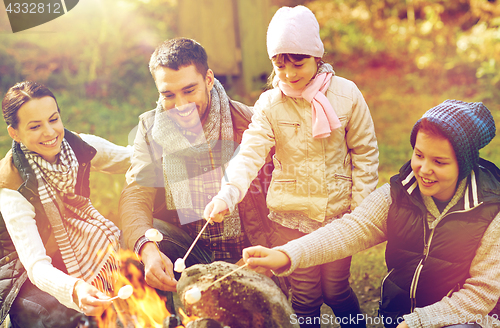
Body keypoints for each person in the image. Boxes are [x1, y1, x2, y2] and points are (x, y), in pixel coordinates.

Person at [242, 99, 500, 328]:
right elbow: (350, 230)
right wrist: (285, 254)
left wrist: (419, 323)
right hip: (400, 317)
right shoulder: (398, 195)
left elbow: (480, 294)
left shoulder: (491, 211)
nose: (423, 169)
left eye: (439, 162)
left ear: (463, 164)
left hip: (462, 320)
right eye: (419, 155)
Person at [204, 5, 379, 328]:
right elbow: (250, 152)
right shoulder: (271, 103)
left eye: (297, 64)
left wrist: (360, 212)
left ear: (316, 55)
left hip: (339, 214)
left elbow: (365, 153)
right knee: (306, 295)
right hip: (291, 217)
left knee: (336, 290)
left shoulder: (347, 95)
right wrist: (228, 193)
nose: (288, 74)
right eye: (280, 66)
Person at [119, 38, 272, 300]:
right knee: (138, 240)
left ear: (209, 80)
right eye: (168, 94)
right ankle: (171, 315)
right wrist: (147, 249)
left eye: (189, 90)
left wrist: (257, 262)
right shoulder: (150, 128)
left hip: (250, 256)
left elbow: (283, 208)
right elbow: (135, 194)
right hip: (191, 250)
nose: (181, 106)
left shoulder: (251, 124)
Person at [0, 81, 132, 327]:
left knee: (137, 267)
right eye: (35, 126)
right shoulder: (11, 186)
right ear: (14, 133)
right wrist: (75, 289)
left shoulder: (77, 147)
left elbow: (132, 159)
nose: (50, 132)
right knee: (57, 316)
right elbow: (35, 265)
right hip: (21, 270)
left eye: (53, 119)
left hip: (67, 250)